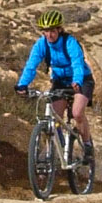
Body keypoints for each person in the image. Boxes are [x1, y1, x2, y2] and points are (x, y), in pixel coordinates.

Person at [14, 9, 95, 164]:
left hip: (82, 80)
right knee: (54, 116)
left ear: (59, 29)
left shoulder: (69, 42)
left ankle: (87, 145)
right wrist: (22, 85)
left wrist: (77, 81)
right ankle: (58, 148)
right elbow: (31, 66)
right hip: (60, 81)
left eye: (52, 31)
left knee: (77, 113)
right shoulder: (41, 44)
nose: (49, 35)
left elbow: (77, 63)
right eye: (45, 31)